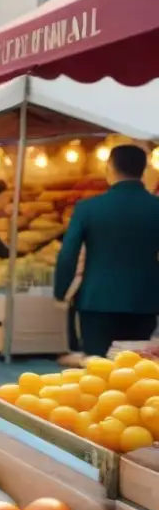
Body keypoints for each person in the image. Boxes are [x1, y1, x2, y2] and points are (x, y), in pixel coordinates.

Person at [54, 144, 159, 357]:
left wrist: (61, 291)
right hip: (145, 299)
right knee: (136, 366)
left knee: (96, 364)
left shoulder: (88, 208)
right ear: (144, 170)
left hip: (97, 298)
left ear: (110, 168)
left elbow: (68, 255)